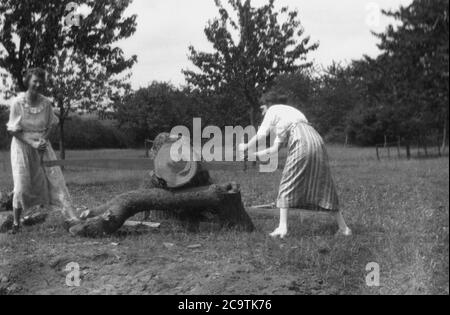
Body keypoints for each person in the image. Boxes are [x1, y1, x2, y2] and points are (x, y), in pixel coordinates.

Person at [239, 104, 352, 239]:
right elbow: (274, 150)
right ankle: (344, 228)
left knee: (288, 181)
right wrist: (253, 155)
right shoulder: (287, 118)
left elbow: (261, 135)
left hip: (301, 140)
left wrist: (245, 146)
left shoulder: (272, 110)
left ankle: (282, 227)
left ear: (265, 110)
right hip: (316, 139)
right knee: (324, 184)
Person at [6, 68, 79, 234]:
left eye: (41, 82)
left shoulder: (46, 103)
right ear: (28, 81)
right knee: (21, 184)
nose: (38, 85)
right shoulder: (18, 102)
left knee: (55, 180)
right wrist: (32, 143)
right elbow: (12, 131)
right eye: (35, 81)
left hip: (42, 146)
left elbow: (51, 124)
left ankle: (71, 218)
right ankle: (16, 224)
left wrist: (44, 140)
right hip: (22, 147)